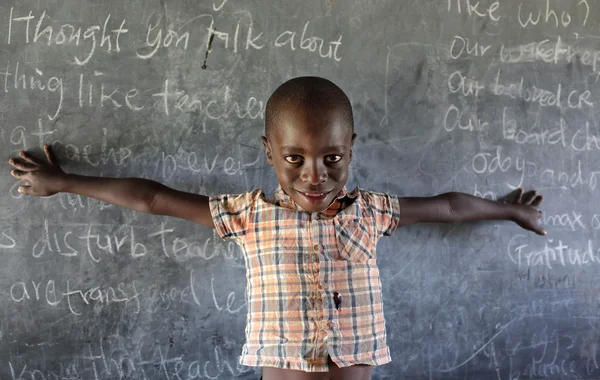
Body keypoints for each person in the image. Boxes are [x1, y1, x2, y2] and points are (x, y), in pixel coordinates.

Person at [8, 76, 545, 380]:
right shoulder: (247, 216)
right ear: (270, 153)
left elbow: (448, 208)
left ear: (351, 149)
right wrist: (64, 182)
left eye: (333, 157)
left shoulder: (370, 211)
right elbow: (152, 198)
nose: (315, 175)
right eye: (295, 158)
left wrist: (510, 211)